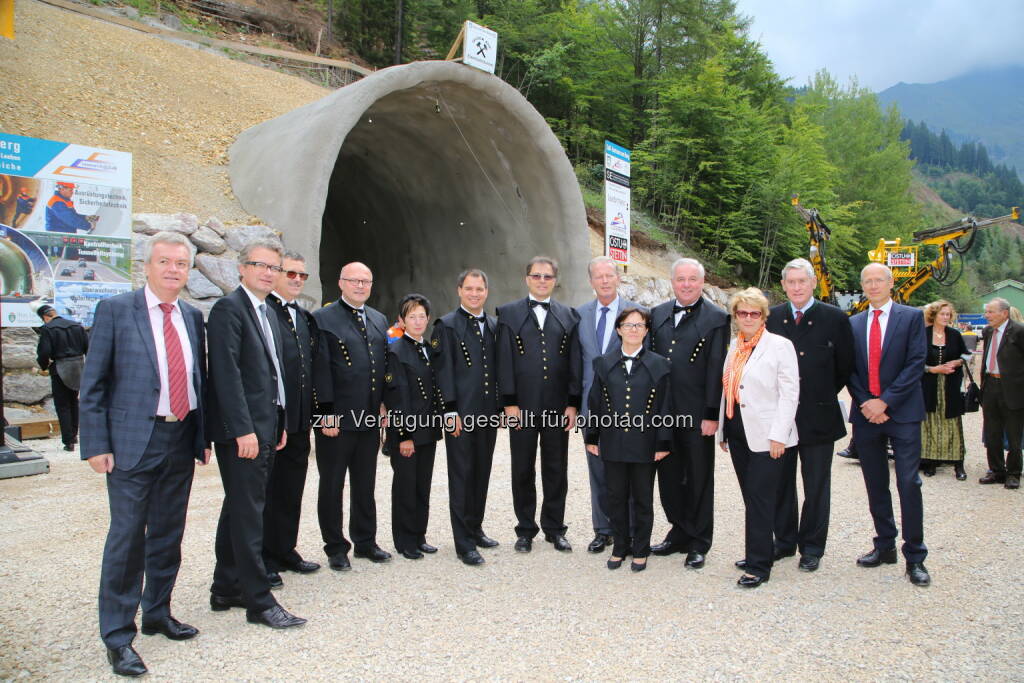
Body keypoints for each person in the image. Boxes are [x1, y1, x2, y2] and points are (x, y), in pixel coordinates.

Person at [79, 232, 210, 676]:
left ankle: (157, 613)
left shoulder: (192, 317)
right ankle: (118, 636)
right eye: (165, 262)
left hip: (180, 438)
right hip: (134, 442)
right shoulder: (117, 311)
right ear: (147, 266)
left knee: (168, 533)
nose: (173, 269)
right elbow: (93, 384)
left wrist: (202, 436)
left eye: (181, 263)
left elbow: (198, 382)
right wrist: (96, 444)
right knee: (127, 537)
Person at [207, 239, 306, 629]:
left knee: (238, 507)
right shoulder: (229, 310)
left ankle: (226, 585)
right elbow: (227, 376)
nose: (268, 272)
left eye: (274, 267)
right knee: (250, 515)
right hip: (244, 432)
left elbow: (272, 375)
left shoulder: (264, 311)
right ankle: (258, 601)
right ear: (242, 269)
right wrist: (243, 430)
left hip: (267, 426)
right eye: (260, 265)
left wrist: (278, 422)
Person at [764, 258, 853, 573]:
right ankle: (783, 542)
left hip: (818, 415)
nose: (797, 287)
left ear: (813, 283)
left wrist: (818, 392)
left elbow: (844, 366)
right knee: (781, 483)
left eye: (802, 281)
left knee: (816, 486)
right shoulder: (771, 317)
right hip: (780, 419)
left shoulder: (835, 318)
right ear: (784, 285)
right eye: (791, 282)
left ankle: (812, 547)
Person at [848, 263, 930, 587]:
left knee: (908, 483)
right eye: (867, 281)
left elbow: (915, 363)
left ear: (891, 282)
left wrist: (886, 401)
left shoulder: (911, 318)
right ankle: (884, 546)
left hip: (903, 413)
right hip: (866, 415)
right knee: (875, 482)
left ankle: (916, 557)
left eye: (878, 280)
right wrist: (867, 402)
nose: (873, 285)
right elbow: (848, 368)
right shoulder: (853, 323)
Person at [497, 256, 582, 553]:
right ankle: (525, 529)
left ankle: (555, 528)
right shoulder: (507, 314)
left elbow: (575, 362)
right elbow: (504, 361)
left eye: (547, 276)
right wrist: (508, 403)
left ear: (555, 280)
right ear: (527, 278)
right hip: (521, 406)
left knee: (556, 468)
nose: (542, 280)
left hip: (557, 407)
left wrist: (573, 403)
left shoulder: (569, 316)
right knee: (522, 468)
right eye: (537, 275)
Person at [647, 258, 729, 569]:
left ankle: (699, 540)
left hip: (697, 415)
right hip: (664, 413)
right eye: (680, 279)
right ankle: (678, 530)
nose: (686, 284)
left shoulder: (717, 318)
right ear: (672, 282)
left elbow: (715, 369)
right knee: (668, 476)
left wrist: (711, 415)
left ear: (702, 281)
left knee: (698, 476)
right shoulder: (657, 314)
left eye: (692, 279)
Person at [716, 288, 799, 588]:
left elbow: (790, 395)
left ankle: (758, 564)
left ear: (763, 316)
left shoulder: (779, 346)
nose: (748, 318)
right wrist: (725, 430)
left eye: (754, 313)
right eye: (742, 313)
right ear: (736, 316)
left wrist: (779, 435)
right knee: (752, 497)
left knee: (761, 499)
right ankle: (763, 548)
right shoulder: (734, 347)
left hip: (768, 435)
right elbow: (729, 390)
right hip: (739, 432)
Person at [312, 262, 393, 569]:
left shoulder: (377, 318)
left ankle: (365, 541)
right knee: (332, 484)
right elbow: (320, 370)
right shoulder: (322, 318)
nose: (361, 286)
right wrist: (325, 414)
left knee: (365, 482)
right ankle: (335, 547)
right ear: (341, 283)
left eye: (366, 281)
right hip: (337, 419)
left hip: (369, 418)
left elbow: (383, 366)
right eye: (354, 281)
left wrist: (384, 404)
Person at [584, 307, 671, 572]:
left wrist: (662, 443)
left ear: (646, 331)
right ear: (619, 329)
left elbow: (665, 407)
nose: (634, 330)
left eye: (640, 325)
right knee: (616, 497)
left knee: (643, 498)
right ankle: (620, 546)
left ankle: (641, 549)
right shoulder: (603, 363)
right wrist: (592, 436)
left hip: (645, 444)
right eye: (628, 325)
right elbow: (595, 402)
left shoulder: (660, 364)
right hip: (613, 442)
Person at [262, 252, 322, 589]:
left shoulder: (301, 316)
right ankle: (263, 556)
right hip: (273, 419)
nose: (298, 280)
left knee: (291, 487)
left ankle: (285, 548)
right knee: (267, 490)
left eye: (302, 275)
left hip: (299, 419)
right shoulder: (265, 312)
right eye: (291, 274)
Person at [432, 269, 500, 566]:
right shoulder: (446, 326)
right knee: (461, 476)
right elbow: (442, 372)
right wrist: (449, 411)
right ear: (459, 290)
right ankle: (463, 543)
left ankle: (475, 527)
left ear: (487, 291)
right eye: (469, 288)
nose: (475, 293)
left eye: (480, 289)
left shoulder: (495, 325)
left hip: (487, 414)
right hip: (460, 414)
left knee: (481, 472)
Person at [576, 256, 643, 554]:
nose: (604, 281)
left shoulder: (637, 314)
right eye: (598, 276)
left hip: (628, 408)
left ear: (618, 278)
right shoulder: (579, 316)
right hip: (592, 408)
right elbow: (576, 364)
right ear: (591, 281)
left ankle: (627, 531)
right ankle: (602, 530)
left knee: (628, 470)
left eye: (609, 275)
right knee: (598, 470)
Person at [383, 294, 445, 560]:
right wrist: (403, 435)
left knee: (422, 485)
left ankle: (420, 535)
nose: (418, 321)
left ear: (428, 319)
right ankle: (404, 540)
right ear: (401, 321)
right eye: (412, 316)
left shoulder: (428, 349)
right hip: (407, 432)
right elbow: (397, 396)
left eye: (422, 316)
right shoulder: (396, 351)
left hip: (427, 430)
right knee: (405, 487)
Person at [979, 297, 1024, 490]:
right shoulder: (988, 331)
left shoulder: (1019, 331)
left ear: (1004, 313)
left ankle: (1013, 473)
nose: (986, 315)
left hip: (1012, 389)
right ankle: (996, 470)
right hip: (990, 385)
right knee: (992, 432)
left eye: (990, 312)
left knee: (1014, 434)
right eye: (986, 311)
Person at [920, 300, 967, 480]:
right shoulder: (923, 334)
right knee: (929, 423)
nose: (946, 317)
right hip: (929, 385)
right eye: (942, 314)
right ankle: (931, 461)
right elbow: (914, 361)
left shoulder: (955, 334)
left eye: (948, 314)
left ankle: (958, 463)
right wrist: (932, 369)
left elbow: (966, 354)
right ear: (934, 315)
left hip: (950, 386)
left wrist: (958, 361)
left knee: (953, 423)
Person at [35, 303, 89, 452]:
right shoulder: (76, 326)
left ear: (45, 317)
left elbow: (44, 352)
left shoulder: (47, 329)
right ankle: (74, 435)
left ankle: (68, 441)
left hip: (60, 368)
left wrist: (43, 365)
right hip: (78, 366)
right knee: (74, 402)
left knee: (62, 405)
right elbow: (88, 348)